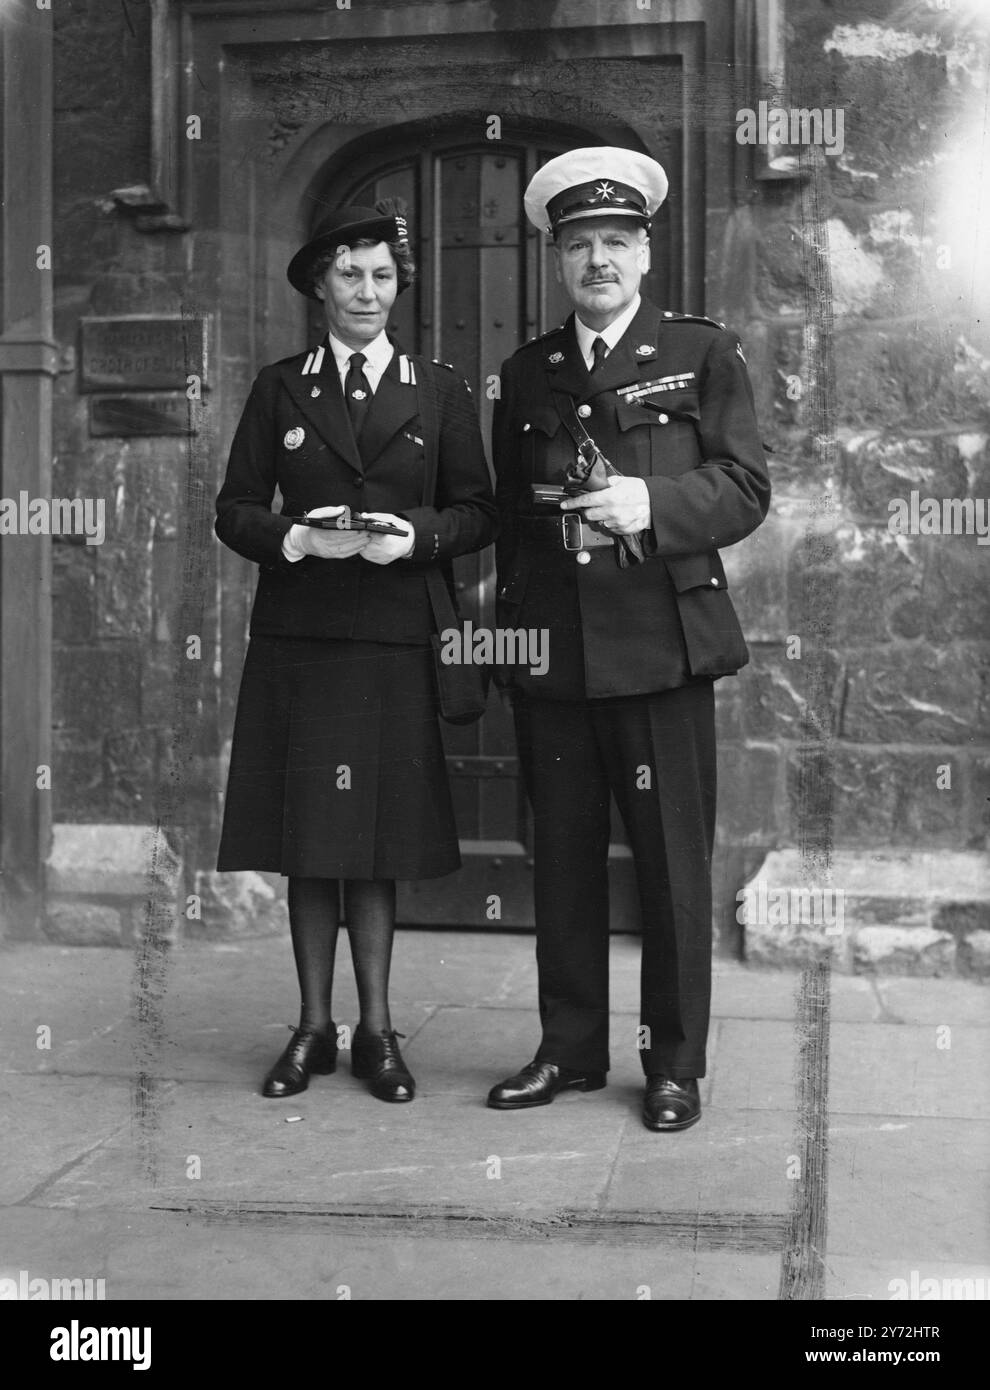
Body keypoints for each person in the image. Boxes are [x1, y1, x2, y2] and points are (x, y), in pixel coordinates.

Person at [488, 148, 770, 1131]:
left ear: (644, 254)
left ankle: (674, 1063)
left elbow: (745, 488)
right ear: (557, 261)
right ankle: (566, 1050)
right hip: (555, 654)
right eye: (578, 246)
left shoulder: (701, 353)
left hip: (661, 645)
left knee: (670, 865)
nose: (597, 261)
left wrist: (650, 499)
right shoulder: (528, 372)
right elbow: (513, 518)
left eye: (614, 242)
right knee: (560, 858)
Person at [215, 201, 497, 1104]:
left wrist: (408, 537)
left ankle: (376, 1031)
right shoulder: (279, 386)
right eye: (349, 274)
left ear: (397, 286)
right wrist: (295, 538)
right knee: (309, 841)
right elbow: (234, 510)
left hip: (394, 639)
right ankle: (311, 1030)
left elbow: (479, 512)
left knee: (375, 842)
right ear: (319, 287)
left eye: (381, 275)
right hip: (302, 640)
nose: (367, 291)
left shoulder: (441, 388)